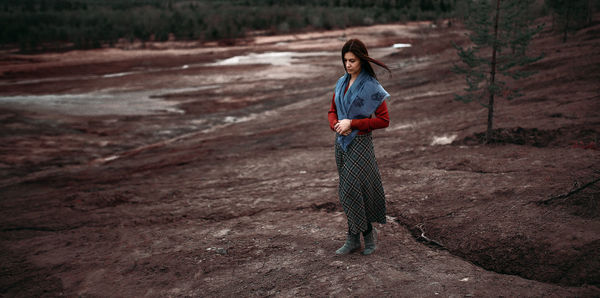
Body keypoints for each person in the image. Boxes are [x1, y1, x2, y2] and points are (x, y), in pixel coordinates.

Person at [327, 39, 391, 255]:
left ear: (362, 60)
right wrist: (336, 125)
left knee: (350, 190)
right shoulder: (341, 83)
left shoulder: (372, 87)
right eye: (345, 60)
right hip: (341, 144)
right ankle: (354, 238)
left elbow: (383, 120)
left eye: (352, 60)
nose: (348, 65)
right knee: (353, 191)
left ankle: (366, 234)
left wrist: (352, 123)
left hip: (361, 144)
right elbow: (332, 111)